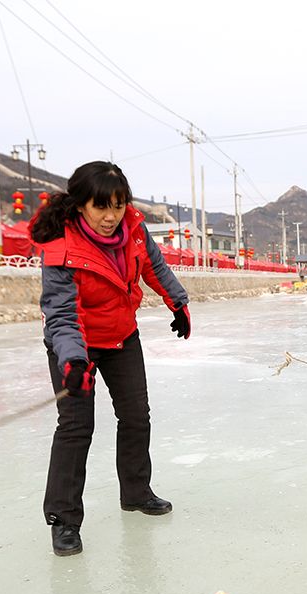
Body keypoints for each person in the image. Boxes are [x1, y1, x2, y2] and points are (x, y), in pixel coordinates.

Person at [31, 161, 192, 557]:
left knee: (136, 415)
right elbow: (62, 313)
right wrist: (72, 361)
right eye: (101, 207)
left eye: (118, 206)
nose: (110, 217)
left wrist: (178, 303)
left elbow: (154, 266)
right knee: (75, 426)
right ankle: (64, 520)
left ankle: (136, 493)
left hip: (122, 336)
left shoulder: (133, 229)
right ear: (81, 204)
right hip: (77, 343)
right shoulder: (61, 245)